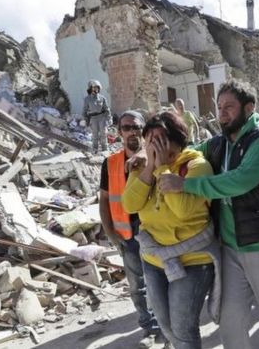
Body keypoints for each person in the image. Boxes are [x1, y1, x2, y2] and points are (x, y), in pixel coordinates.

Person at [159, 80, 259, 349]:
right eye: (219, 107)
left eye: (229, 107)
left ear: (249, 107)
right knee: (230, 320)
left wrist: (186, 185)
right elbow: (188, 154)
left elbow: (239, 181)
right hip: (231, 248)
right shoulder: (219, 144)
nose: (222, 114)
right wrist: (151, 155)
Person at [122, 111, 218, 349]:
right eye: (150, 138)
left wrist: (163, 169)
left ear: (176, 139)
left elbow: (183, 211)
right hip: (154, 259)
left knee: (183, 328)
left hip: (192, 261)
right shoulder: (143, 166)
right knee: (165, 325)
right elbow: (130, 205)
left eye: (160, 138)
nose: (153, 144)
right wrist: (148, 170)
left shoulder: (196, 166)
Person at [99, 110, 161, 348]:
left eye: (136, 127)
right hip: (127, 233)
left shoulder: (156, 156)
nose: (132, 132)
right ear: (119, 132)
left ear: (143, 131)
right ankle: (149, 327)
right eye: (126, 128)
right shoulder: (111, 163)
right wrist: (111, 234)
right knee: (137, 285)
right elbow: (104, 200)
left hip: (154, 229)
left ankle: (163, 327)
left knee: (159, 280)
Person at [83, 79, 110, 152]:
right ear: (90, 89)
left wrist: (109, 119)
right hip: (93, 118)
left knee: (103, 134)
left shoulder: (102, 98)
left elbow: (107, 109)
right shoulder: (87, 99)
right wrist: (85, 120)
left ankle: (105, 150)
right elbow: (85, 110)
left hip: (102, 118)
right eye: (94, 87)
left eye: (97, 87)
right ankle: (95, 150)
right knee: (95, 135)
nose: (96, 89)